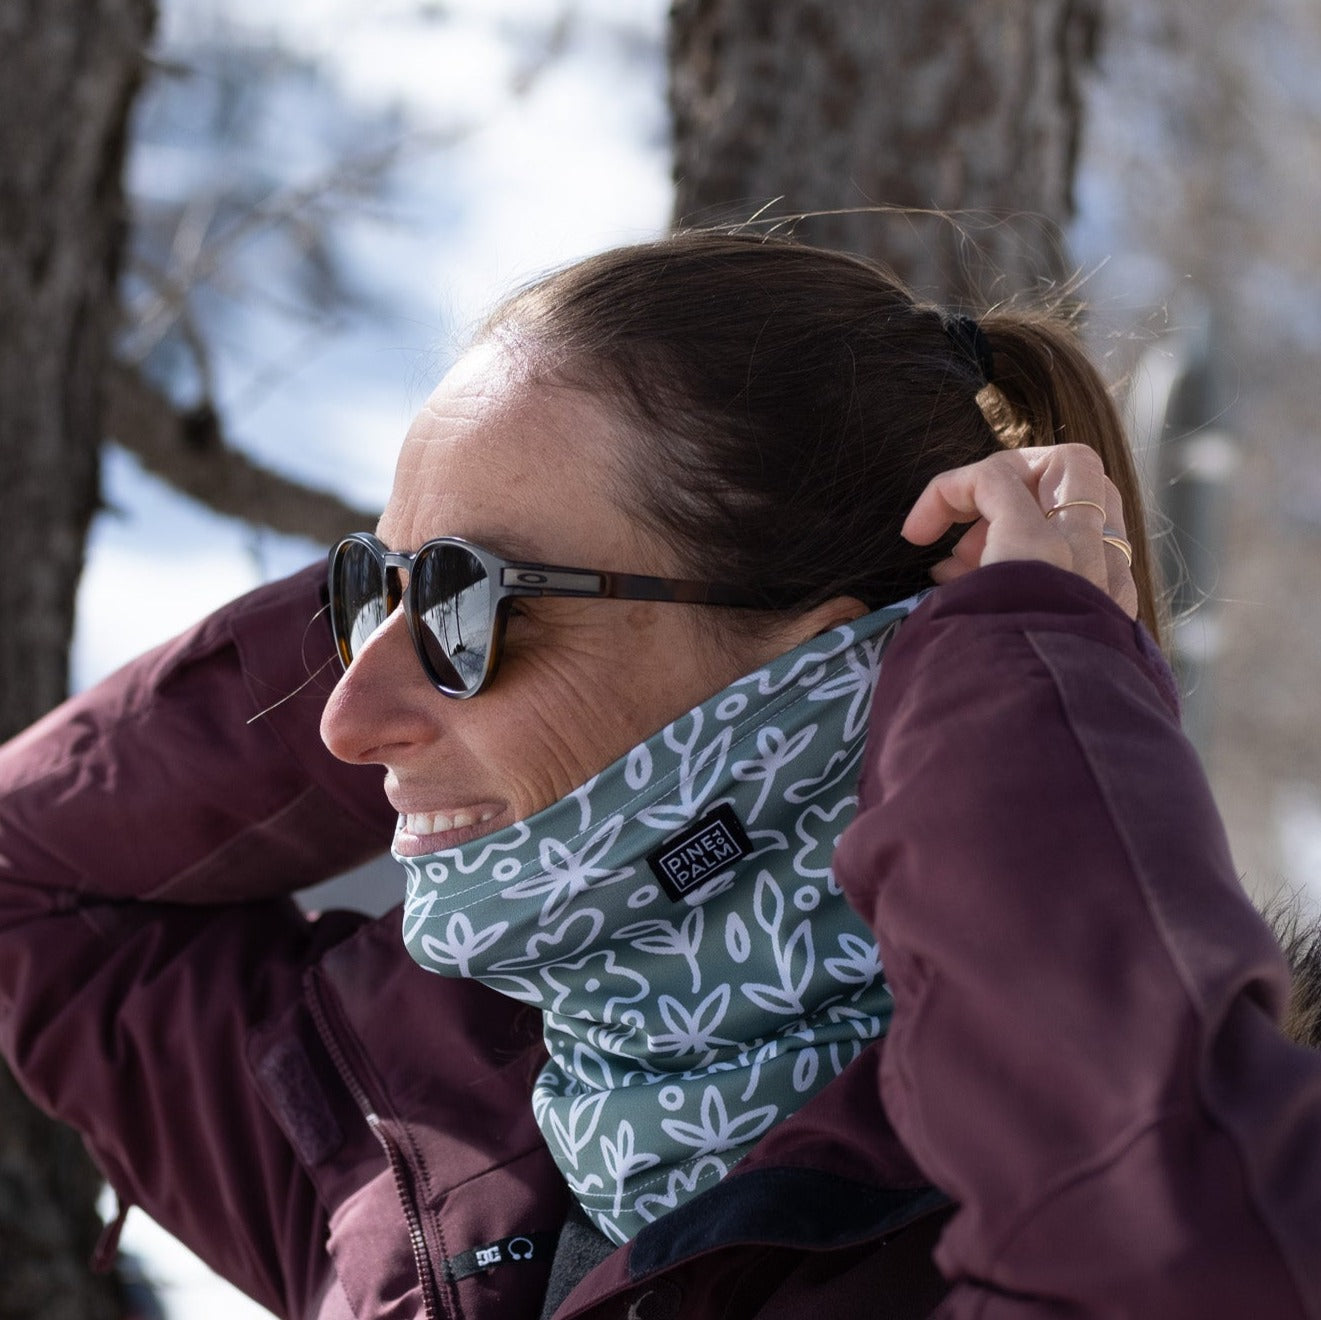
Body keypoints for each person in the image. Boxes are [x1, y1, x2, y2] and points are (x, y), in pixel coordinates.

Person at [0, 231, 1318, 1320]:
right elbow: (30, 881)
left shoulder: (1052, 1193)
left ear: (818, 677)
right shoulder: (401, 1133)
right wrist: (422, 599)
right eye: (366, 595)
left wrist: (1013, 669)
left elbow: (1180, 1261)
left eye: (470, 604)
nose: (342, 721)